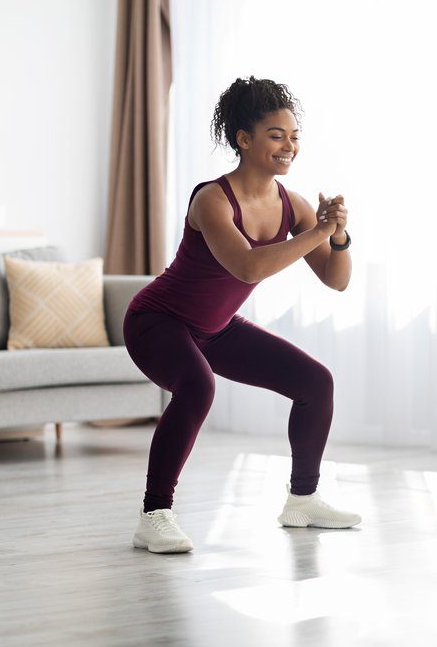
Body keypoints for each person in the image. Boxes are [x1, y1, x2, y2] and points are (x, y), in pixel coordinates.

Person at [125, 76, 360, 554]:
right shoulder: (212, 199)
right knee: (197, 388)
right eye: (277, 135)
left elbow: (337, 280)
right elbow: (249, 266)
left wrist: (336, 235)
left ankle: (303, 500)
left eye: (294, 136)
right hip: (157, 321)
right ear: (244, 139)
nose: (289, 146)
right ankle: (154, 515)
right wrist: (318, 231)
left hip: (216, 329)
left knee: (315, 383)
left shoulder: (290, 204)